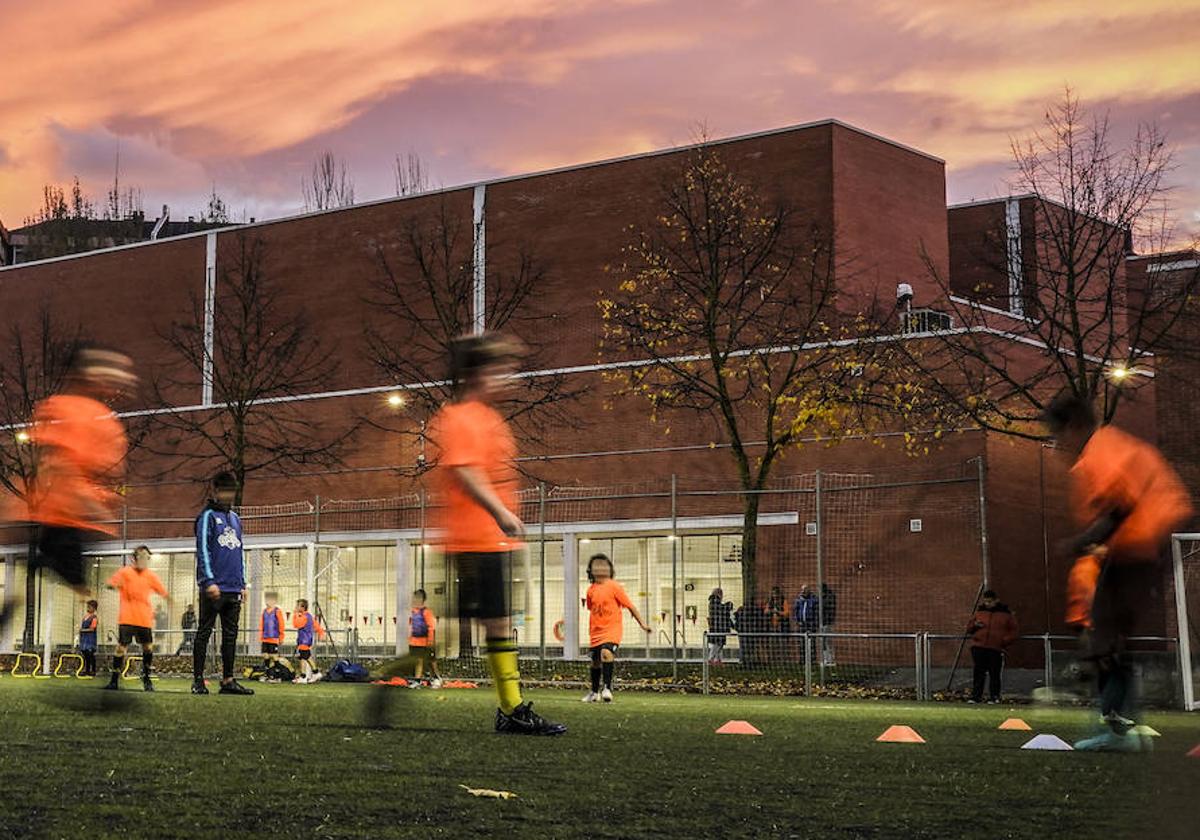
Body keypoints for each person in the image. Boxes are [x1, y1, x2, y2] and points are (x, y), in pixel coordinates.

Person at [425, 332, 565, 734]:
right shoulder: (462, 416)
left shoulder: (488, 417)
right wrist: (500, 512)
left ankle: (511, 708)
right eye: (499, 369)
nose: (507, 378)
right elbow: (466, 471)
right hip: (474, 538)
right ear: (476, 374)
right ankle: (512, 709)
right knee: (496, 622)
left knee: (495, 622)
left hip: (493, 538)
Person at [1044, 392, 1192, 751]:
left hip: (1141, 544)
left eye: (1059, 435)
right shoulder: (1112, 446)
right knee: (1109, 638)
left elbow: (1118, 508)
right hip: (1144, 542)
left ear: (1076, 427)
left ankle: (1118, 728)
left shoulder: (1100, 452)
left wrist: (1081, 542)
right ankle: (1119, 722)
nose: (1059, 445)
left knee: (1105, 637)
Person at [0, 347, 136, 634]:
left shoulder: (68, 409)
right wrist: (88, 499)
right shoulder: (86, 415)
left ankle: (20, 592)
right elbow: (59, 460)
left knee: (64, 573)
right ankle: (22, 591)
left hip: (53, 513)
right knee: (78, 583)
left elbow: (50, 457)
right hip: (66, 515)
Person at [192, 472, 254, 696]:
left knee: (231, 635)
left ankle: (228, 680)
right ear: (216, 491)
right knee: (204, 632)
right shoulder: (207, 517)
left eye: (231, 491)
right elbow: (203, 551)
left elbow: (239, 551)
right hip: (213, 588)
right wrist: (208, 581)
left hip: (233, 588)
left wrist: (243, 583)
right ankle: (198, 681)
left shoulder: (236, 519)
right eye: (224, 491)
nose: (228, 496)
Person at [581, 554, 651, 703]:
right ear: (590, 570)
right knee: (595, 661)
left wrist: (643, 624)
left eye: (604, 565)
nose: (600, 568)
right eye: (597, 565)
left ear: (610, 569)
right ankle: (594, 692)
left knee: (606, 653)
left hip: (612, 630)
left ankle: (607, 688)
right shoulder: (590, 590)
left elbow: (630, 606)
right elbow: (591, 609)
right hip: (595, 631)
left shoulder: (614, 586)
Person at [103, 545, 170, 692]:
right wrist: (113, 586)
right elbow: (110, 584)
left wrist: (170, 600)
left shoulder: (151, 576)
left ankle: (146, 678)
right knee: (121, 648)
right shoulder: (125, 572)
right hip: (127, 618)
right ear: (134, 558)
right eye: (141, 556)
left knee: (148, 648)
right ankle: (114, 681)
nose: (144, 559)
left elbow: (163, 592)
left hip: (144, 619)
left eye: (147, 557)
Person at [966, 590, 1017, 704]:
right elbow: (969, 628)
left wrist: (1003, 641)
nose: (987, 604)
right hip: (979, 646)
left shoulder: (1006, 614)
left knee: (994, 673)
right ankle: (976, 696)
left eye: (990, 602)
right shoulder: (979, 612)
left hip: (995, 648)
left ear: (996, 601)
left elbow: (1013, 631)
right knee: (979, 672)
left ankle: (994, 696)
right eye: (986, 601)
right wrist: (975, 626)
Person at [408, 589, 442, 687]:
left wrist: (430, 641)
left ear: (423, 599)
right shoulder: (413, 612)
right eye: (415, 598)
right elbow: (412, 626)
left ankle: (437, 678)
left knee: (431, 661)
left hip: (426, 641)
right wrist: (410, 639)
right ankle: (417, 681)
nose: (415, 600)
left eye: (418, 598)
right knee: (418, 661)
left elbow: (431, 627)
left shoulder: (427, 612)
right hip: (415, 642)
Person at [292, 598, 325, 684]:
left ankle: (316, 672)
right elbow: (317, 626)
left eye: (297, 606)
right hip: (306, 639)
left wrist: (295, 614)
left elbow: (296, 624)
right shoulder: (309, 616)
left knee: (306, 657)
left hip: (304, 640)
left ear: (302, 608)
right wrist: (321, 633)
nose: (295, 607)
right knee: (302, 657)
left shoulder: (304, 617)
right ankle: (303, 676)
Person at [259, 592, 286, 679]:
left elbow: (281, 625)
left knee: (274, 656)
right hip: (265, 638)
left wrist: (281, 637)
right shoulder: (264, 611)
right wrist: (261, 636)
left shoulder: (277, 611)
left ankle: (278, 675)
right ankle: (267, 674)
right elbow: (262, 624)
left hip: (274, 638)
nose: (267, 601)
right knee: (265, 656)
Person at [706, 588, 733, 664]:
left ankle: (717, 660)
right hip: (719, 627)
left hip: (717, 627)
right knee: (718, 644)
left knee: (719, 645)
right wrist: (729, 605)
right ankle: (711, 658)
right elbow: (722, 609)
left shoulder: (713, 602)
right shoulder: (715, 602)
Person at [819, 582, 838, 666]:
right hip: (822, 622)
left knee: (828, 641)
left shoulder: (829, 597)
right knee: (823, 641)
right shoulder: (823, 597)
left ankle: (831, 659)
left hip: (827, 621)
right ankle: (825, 659)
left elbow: (829, 610)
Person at [79, 599, 99, 677]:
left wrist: (82, 630)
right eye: (88, 606)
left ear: (94, 608)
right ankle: (86, 670)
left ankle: (93, 670)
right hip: (84, 638)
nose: (88, 608)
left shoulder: (94, 618)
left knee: (90, 654)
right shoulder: (85, 617)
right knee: (85, 654)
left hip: (90, 639)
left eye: (90, 607)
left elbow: (92, 629)